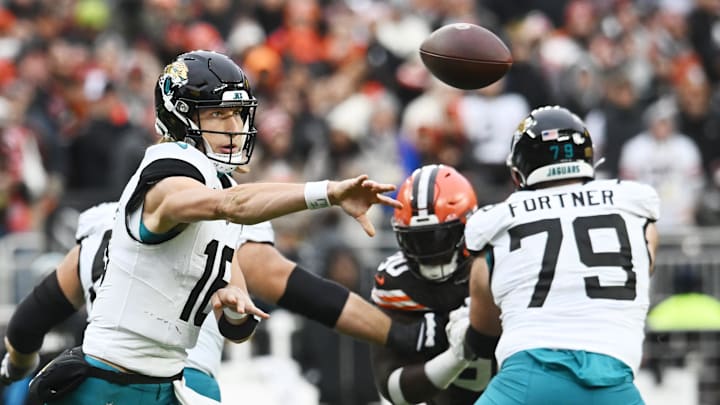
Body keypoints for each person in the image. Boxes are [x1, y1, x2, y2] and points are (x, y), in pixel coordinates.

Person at [3, 49, 436, 405]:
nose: (234, 128)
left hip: (166, 384)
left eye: (238, 114)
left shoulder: (216, 188)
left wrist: (233, 306)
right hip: (111, 384)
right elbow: (234, 206)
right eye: (218, 115)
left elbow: (237, 327)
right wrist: (327, 192)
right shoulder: (168, 177)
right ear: (181, 117)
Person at [458, 106, 660, 405]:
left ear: (518, 171)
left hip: (525, 382)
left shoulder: (494, 222)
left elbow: (484, 332)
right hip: (612, 384)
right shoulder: (635, 204)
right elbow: (645, 264)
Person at [1, 202, 230, 402]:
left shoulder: (103, 230)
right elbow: (240, 324)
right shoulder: (222, 229)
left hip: (115, 380)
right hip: (194, 386)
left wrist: (16, 369)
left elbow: (25, 326)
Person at [370, 164, 494, 405]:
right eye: (417, 240)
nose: (430, 252)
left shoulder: (496, 262)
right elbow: (392, 388)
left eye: (441, 236)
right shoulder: (398, 281)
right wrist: (456, 356)